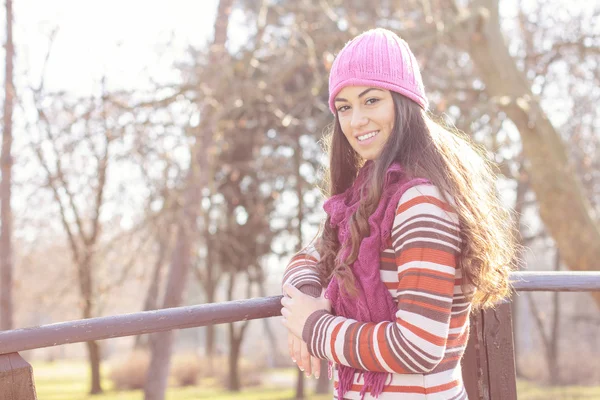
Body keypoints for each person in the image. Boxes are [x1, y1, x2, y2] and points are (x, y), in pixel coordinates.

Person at [280, 28, 517, 400]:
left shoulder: (421, 202)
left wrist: (314, 327)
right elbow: (309, 256)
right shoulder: (368, 198)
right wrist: (309, 302)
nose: (356, 120)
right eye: (344, 106)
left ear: (404, 102)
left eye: (371, 100)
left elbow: (418, 347)